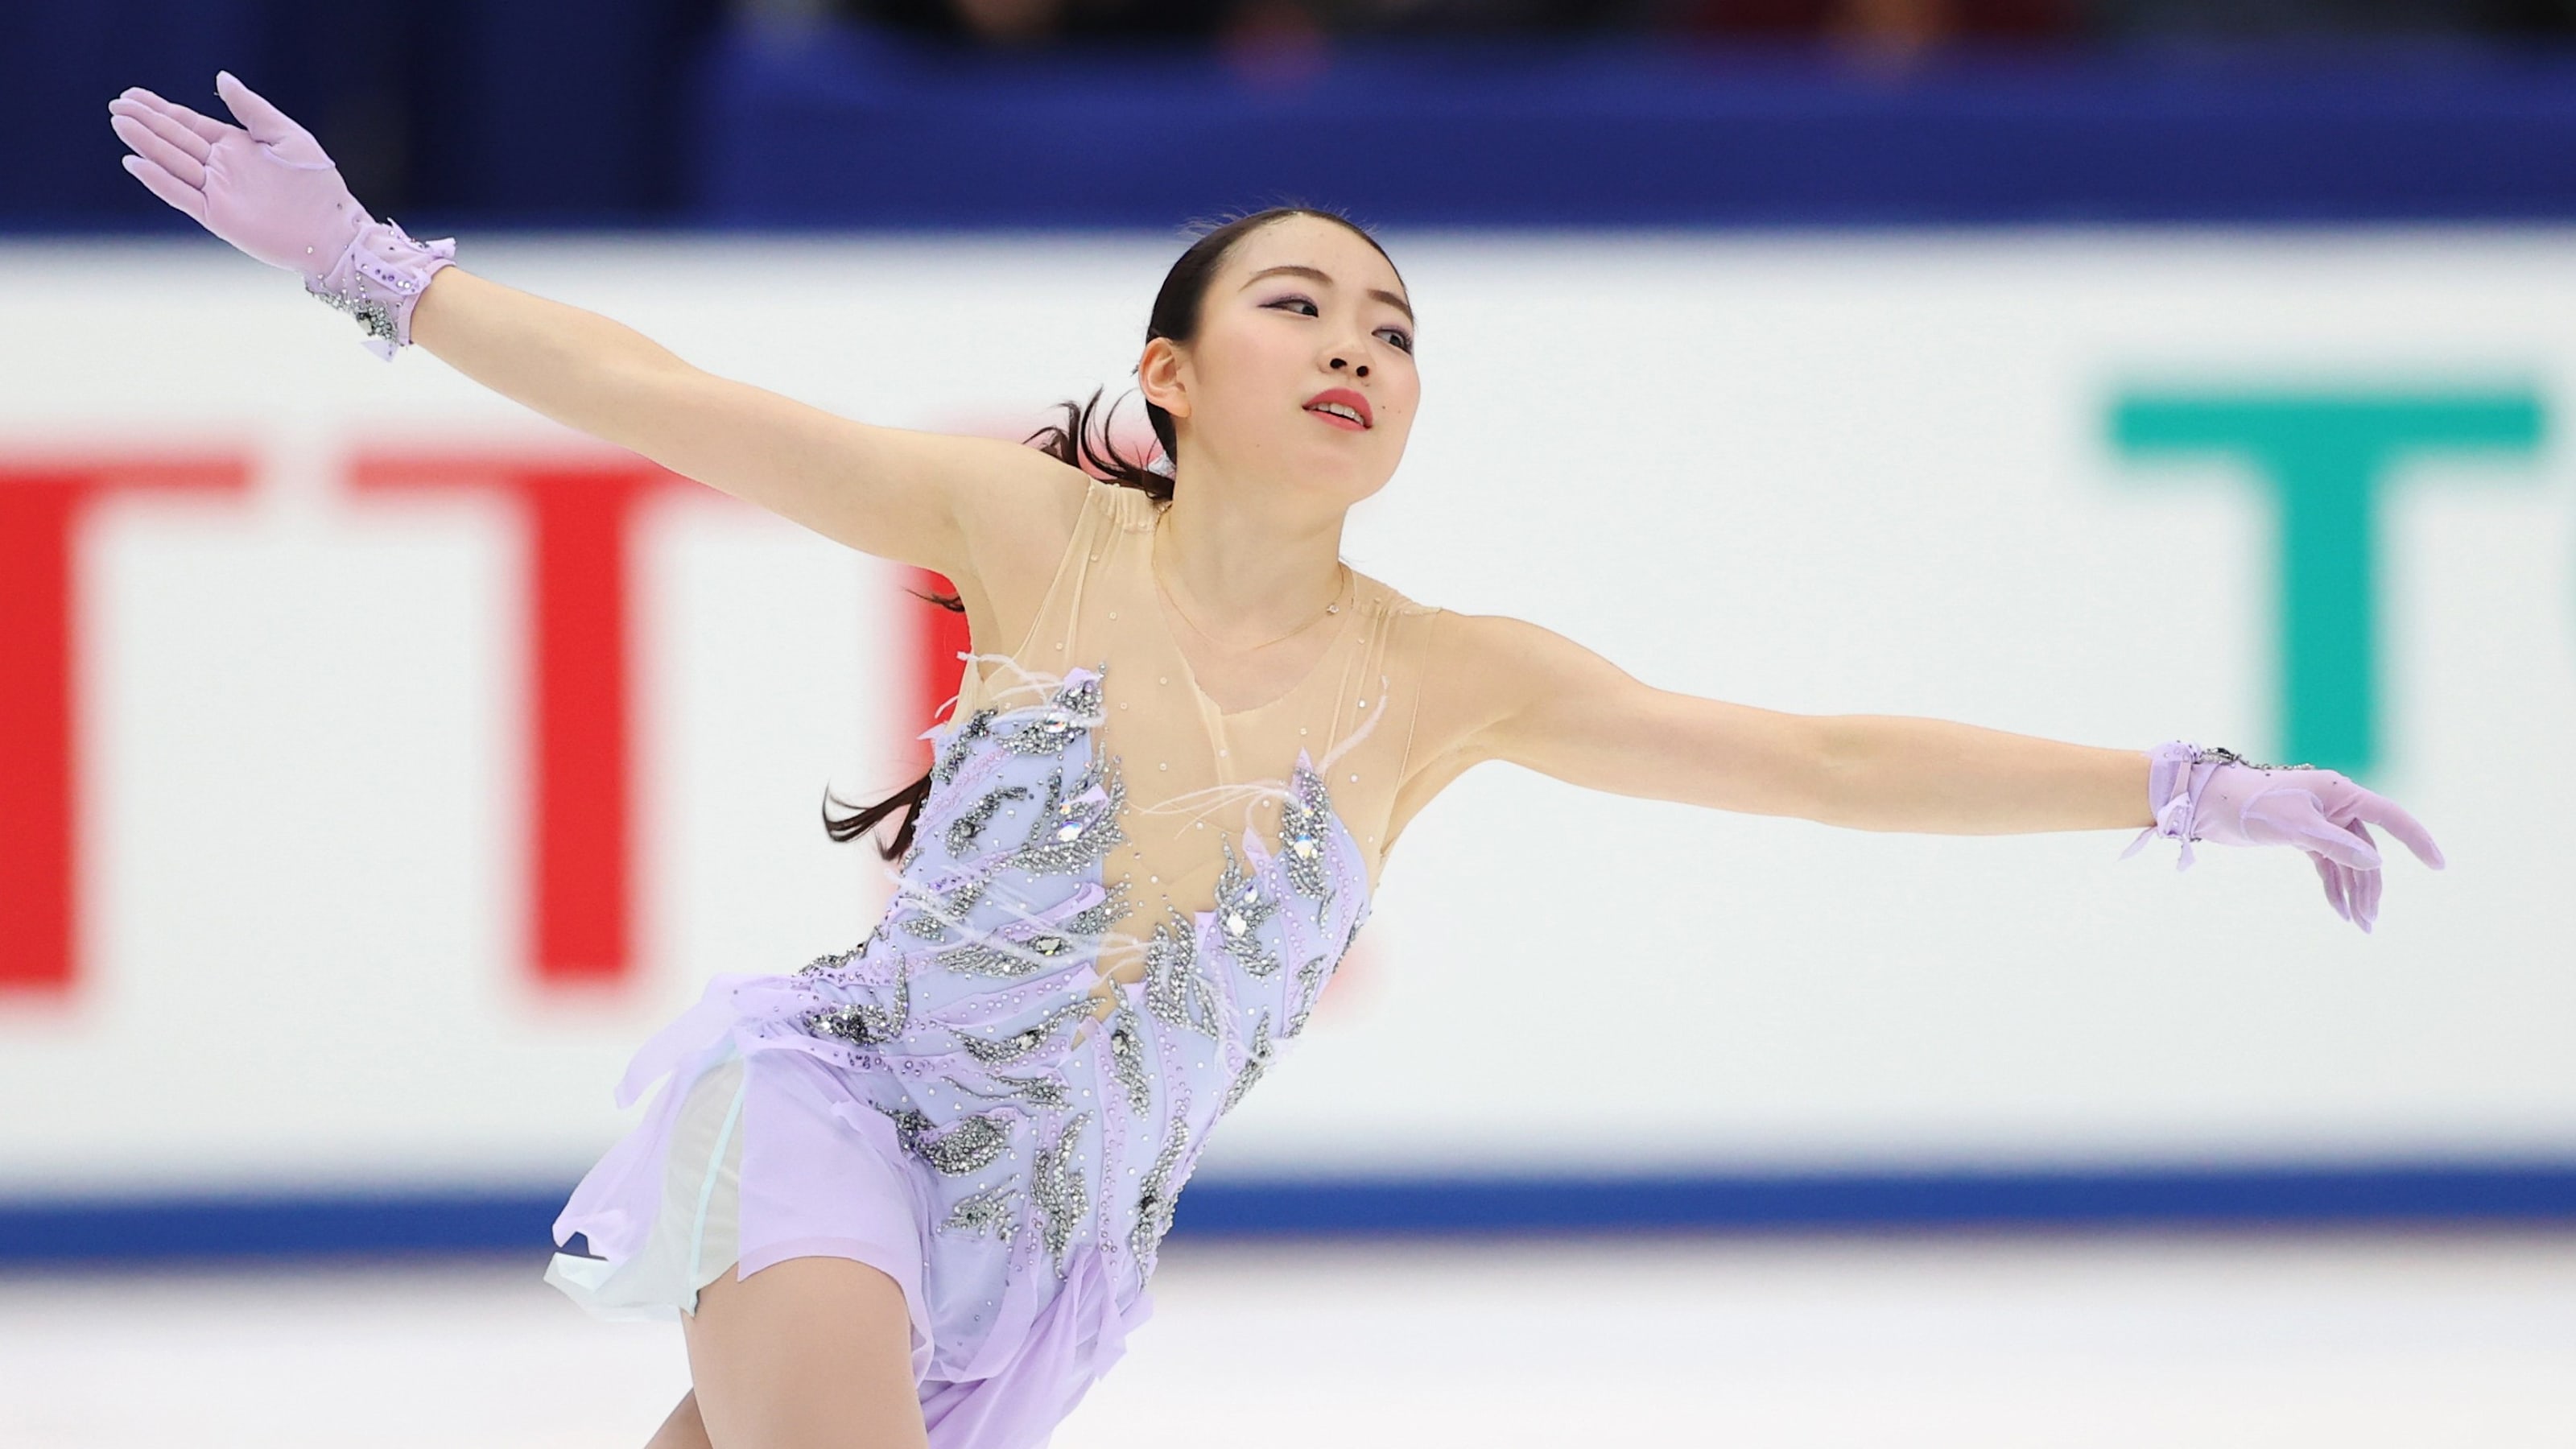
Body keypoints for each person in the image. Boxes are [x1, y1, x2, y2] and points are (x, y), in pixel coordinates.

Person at [106, 71, 2446, 1449]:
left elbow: (1821, 759)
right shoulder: (1033, 535)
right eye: (1300, 305)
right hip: (847, 1122)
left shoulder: (1451, 680)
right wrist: (381, 269)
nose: (1358, 347)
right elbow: (685, 405)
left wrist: (2181, 785)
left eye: (1395, 329)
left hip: (1049, 1269)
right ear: (1173, 374)